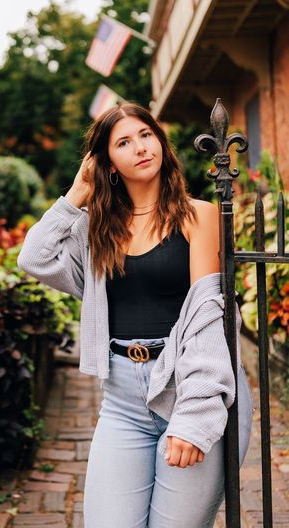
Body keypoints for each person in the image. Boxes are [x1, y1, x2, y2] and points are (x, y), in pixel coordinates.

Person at [17, 102, 254, 528]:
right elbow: (35, 258)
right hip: (122, 398)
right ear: (106, 164)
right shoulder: (97, 229)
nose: (141, 148)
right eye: (123, 142)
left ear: (161, 142)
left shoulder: (197, 215)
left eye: (146, 135)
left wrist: (195, 416)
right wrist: (76, 194)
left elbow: (209, 316)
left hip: (190, 385)